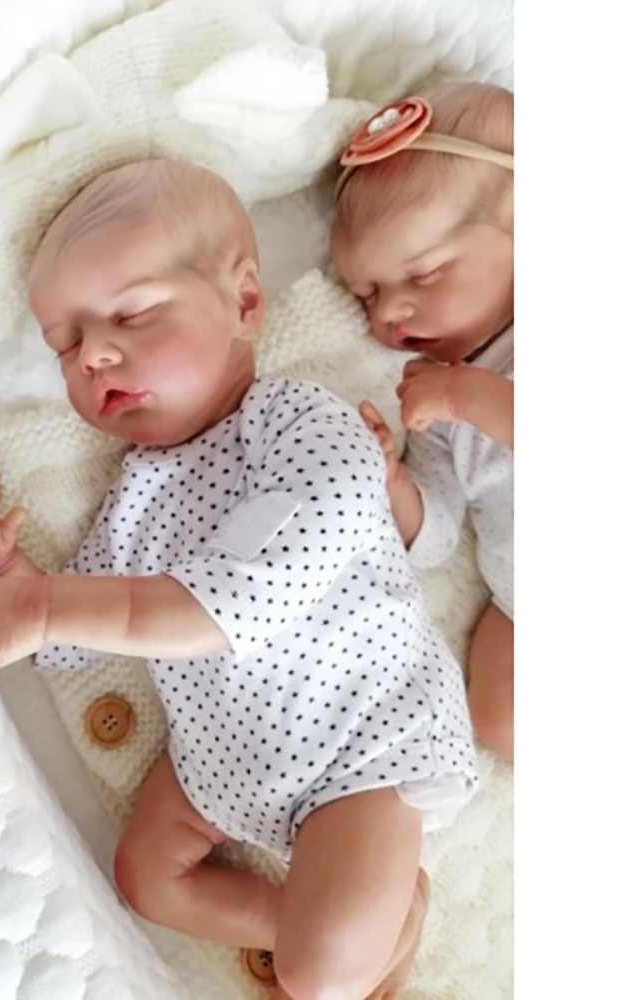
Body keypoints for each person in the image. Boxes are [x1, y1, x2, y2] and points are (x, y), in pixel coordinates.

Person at [0, 159, 477, 1000]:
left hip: (356, 739)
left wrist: (43, 605)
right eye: (65, 345)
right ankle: (332, 915)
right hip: (219, 762)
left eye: (131, 314)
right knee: (146, 878)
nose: (95, 355)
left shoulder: (303, 424)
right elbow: (69, 643)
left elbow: (244, 596)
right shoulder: (133, 499)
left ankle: (336, 938)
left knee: (319, 976)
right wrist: (19, 577)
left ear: (245, 303)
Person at [329, 83, 514, 761]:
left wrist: (466, 394)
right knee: (500, 718)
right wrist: (393, 483)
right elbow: (437, 537)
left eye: (425, 273)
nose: (388, 313)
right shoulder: (434, 404)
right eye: (366, 295)